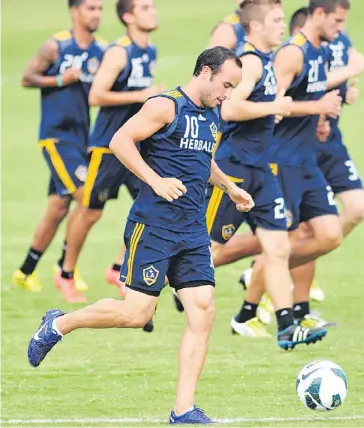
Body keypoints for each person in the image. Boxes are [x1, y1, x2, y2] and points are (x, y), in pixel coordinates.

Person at [28, 46, 254, 425]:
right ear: (204, 72)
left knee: (203, 309)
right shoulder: (165, 106)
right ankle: (59, 323)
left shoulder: (212, 113)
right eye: (226, 84)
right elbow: (120, 140)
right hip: (154, 226)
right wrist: (155, 180)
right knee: (136, 314)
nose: (228, 94)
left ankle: (183, 410)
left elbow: (201, 157)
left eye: (233, 87)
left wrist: (229, 187)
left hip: (192, 229)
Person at [208, 0, 329, 349]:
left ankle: (286, 325)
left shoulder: (269, 62)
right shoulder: (250, 63)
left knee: (277, 247)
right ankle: (146, 288)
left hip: (262, 171)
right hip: (234, 171)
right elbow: (230, 108)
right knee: (207, 249)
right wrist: (274, 107)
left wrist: (270, 114)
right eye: (276, 20)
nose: (283, 25)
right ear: (256, 27)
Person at [54, 0, 162, 306]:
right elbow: (96, 95)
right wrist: (143, 95)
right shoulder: (119, 52)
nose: (153, 11)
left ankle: (117, 269)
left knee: (154, 203)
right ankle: (65, 273)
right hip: (108, 147)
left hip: (137, 146)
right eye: (145, 7)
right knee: (90, 212)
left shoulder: (149, 50)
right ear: (128, 16)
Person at [13, 0, 105, 303]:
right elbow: (27, 78)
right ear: (74, 11)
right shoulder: (56, 46)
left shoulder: (101, 51)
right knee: (86, 196)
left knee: (58, 208)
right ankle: (66, 268)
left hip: (81, 138)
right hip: (56, 137)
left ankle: (25, 272)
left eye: (100, 9)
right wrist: (60, 79)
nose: (96, 14)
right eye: (91, 8)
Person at [288, 6, 364, 318]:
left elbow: (341, 85)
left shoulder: (341, 37)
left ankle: (267, 271)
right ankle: (294, 306)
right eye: (337, 19)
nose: (340, 25)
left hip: (332, 142)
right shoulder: (302, 45)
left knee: (356, 210)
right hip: (302, 144)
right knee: (307, 227)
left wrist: (349, 90)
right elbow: (305, 87)